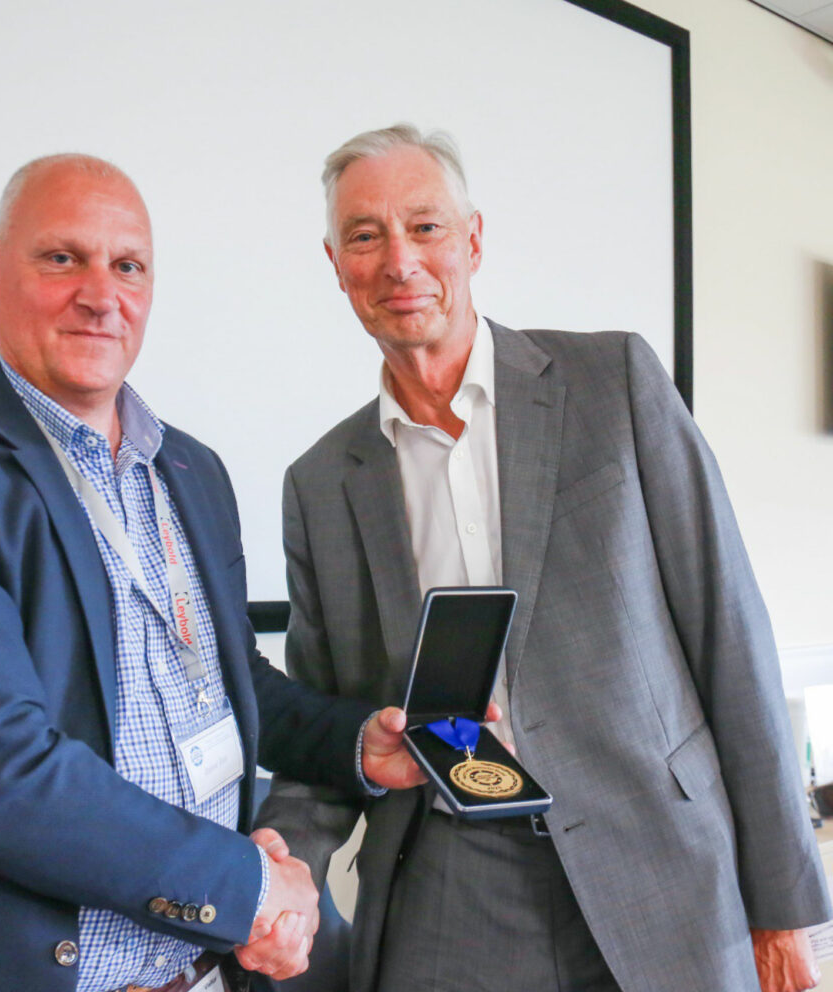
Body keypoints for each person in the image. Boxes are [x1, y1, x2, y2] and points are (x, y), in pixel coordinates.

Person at [0, 153, 427, 992]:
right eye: (63, 258)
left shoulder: (188, 470)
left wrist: (358, 742)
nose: (102, 294)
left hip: (210, 972)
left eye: (127, 265)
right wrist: (247, 889)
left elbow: (229, 682)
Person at [255, 125, 831, 992]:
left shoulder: (614, 381)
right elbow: (329, 726)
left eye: (426, 227)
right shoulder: (320, 483)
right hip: (455, 887)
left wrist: (784, 906)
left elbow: (729, 636)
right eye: (365, 236)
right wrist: (277, 868)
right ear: (336, 265)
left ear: (474, 239)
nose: (399, 260)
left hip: (660, 861)